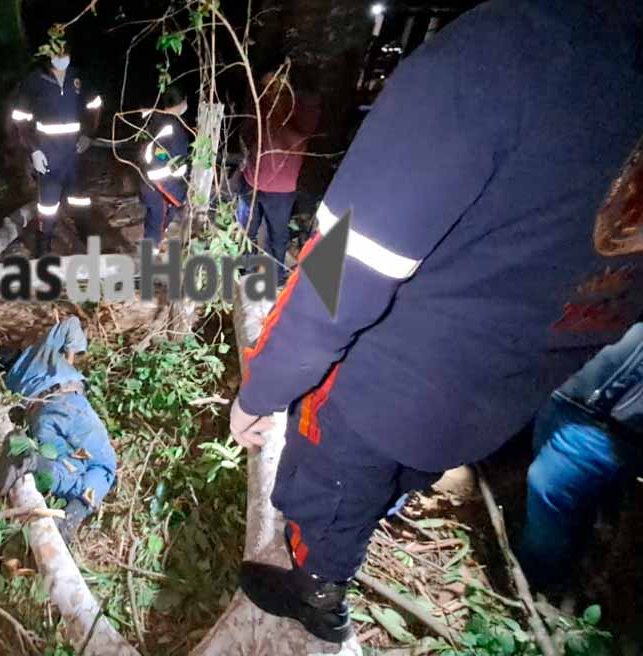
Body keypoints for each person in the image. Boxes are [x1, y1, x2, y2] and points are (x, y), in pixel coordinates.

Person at [228, 0, 643, 644]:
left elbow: (338, 271)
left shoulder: (502, 49)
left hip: (383, 388)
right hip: (500, 402)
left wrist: (262, 390)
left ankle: (318, 590)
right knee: (393, 477)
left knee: (326, 493)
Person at [517, 322, 643, 588]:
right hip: (571, 385)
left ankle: (536, 580)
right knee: (552, 489)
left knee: (548, 487)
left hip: (613, 427)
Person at [0, 317, 116, 541]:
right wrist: (69, 359)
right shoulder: (39, 351)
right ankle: (74, 513)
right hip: (67, 401)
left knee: (70, 467)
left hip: (40, 416)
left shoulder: (11, 381)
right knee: (106, 465)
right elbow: (71, 323)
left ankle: (33, 462)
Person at [10, 39, 103, 256]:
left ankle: (88, 243)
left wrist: (88, 135)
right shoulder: (35, 80)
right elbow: (20, 118)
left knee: (79, 200)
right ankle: (43, 249)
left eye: (65, 54)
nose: (61, 59)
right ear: (49, 56)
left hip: (74, 153)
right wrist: (34, 150)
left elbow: (95, 105)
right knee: (48, 206)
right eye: (57, 55)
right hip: (48, 153)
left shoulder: (78, 78)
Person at [237, 67, 320, 281]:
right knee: (275, 233)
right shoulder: (301, 109)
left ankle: (249, 267)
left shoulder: (268, 105)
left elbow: (248, 132)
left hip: (259, 179)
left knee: (251, 229)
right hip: (277, 184)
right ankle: (273, 274)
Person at [138, 86, 190, 252]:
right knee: (157, 223)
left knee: (155, 219)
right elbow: (164, 162)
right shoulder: (173, 128)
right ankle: (150, 256)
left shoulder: (158, 119)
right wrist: (177, 190)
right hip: (159, 186)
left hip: (149, 181)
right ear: (181, 103)